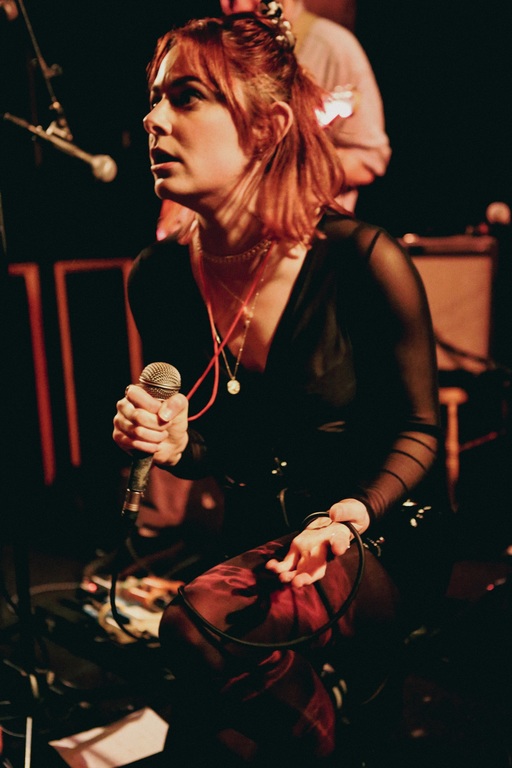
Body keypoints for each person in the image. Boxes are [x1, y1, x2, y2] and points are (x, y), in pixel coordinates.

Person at [112, 6, 453, 766]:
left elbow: (420, 433)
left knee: (197, 628)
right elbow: (216, 443)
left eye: (185, 97)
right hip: (264, 529)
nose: (152, 118)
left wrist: (349, 517)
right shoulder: (158, 278)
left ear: (264, 129)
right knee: (206, 737)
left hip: (379, 528)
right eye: (154, 97)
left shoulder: (362, 262)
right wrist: (175, 443)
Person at [156, 0, 391, 237]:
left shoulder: (332, 46)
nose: (227, 3)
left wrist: (285, 168)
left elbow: (368, 159)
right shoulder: (220, 46)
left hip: (301, 240)